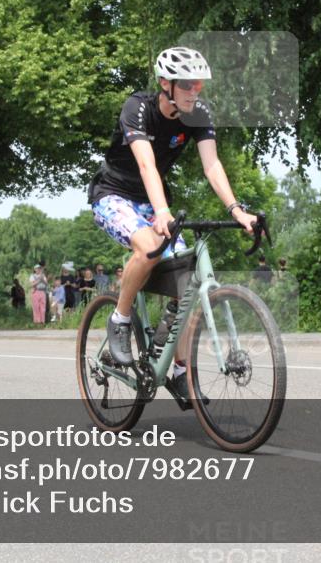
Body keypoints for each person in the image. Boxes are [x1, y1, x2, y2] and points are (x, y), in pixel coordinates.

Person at [87, 46, 257, 401]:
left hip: (152, 200)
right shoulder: (138, 108)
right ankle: (119, 319)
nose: (196, 91)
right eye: (188, 85)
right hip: (114, 194)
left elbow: (212, 165)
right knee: (149, 247)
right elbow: (148, 166)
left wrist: (236, 209)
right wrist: (161, 210)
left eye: (200, 85)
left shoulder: (198, 113)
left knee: (187, 279)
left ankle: (179, 369)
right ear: (165, 83)